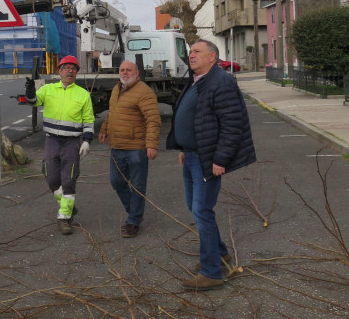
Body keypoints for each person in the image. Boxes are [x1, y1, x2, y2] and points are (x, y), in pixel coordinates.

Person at [166, 39, 257, 291]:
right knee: (195, 207)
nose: (191, 55)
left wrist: (220, 159)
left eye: (197, 52)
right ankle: (221, 254)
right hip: (192, 155)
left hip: (207, 159)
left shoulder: (221, 82)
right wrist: (184, 147)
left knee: (202, 211)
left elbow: (232, 124)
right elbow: (197, 117)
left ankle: (211, 272)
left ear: (212, 57)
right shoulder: (199, 79)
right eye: (191, 52)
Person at [26, 55, 95, 235]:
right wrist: (30, 91)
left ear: (77, 73)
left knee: (69, 179)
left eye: (74, 68)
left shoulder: (83, 94)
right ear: (59, 71)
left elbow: (88, 121)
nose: (70, 71)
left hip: (72, 143)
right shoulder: (48, 89)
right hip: (52, 140)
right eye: (66, 68)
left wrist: (87, 141)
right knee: (51, 177)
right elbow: (33, 102)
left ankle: (64, 218)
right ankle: (68, 206)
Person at [98, 60, 161, 238]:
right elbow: (112, 113)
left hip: (136, 148)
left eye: (129, 70)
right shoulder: (117, 89)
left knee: (137, 186)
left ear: (137, 73)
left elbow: (153, 120)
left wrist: (151, 145)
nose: (125, 73)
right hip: (116, 146)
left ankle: (133, 221)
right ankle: (134, 211)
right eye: (122, 70)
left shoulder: (144, 92)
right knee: (116, 182)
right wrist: (104, 129)